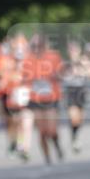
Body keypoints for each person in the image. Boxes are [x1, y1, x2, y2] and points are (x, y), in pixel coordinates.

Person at [21, 34, 64, 164]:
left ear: (44, 45)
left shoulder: (54, 57)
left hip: (51, 98)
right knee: (42, 131)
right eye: (33, 46)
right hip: (35, 99)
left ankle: (56, 144)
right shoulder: (27, 59)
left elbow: (62, 74)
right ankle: (47, 157)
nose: (36, 48)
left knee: (51, 130)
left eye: (39, 45)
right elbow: (23, 78)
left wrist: (55, 75)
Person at [61, 41, 90, 153]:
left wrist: (84, 69)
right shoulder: (65, 64)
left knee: (80, 119)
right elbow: (59, 76)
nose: (73, 52)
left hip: (81, 91)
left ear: (79, 51)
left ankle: (75, 136)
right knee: (73, 117)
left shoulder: (84, 61)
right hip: (70, 91)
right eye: (71, 50)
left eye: (75, 50)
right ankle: (74, 139)